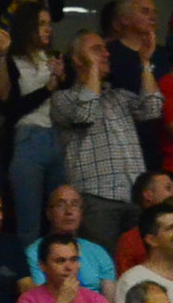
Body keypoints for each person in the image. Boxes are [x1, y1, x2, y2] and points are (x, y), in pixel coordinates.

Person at [51, 31, 163, 253]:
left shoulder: (119, 96)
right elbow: (86, 114)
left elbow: (153, 109)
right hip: (96, 197)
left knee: (139, 261)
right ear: (77, 60)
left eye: (105, 49)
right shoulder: (62, 98)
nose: (106, 54)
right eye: (96, 49)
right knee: (103, 263)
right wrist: (92, 69)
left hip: (134, 195)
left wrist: (145, 62)